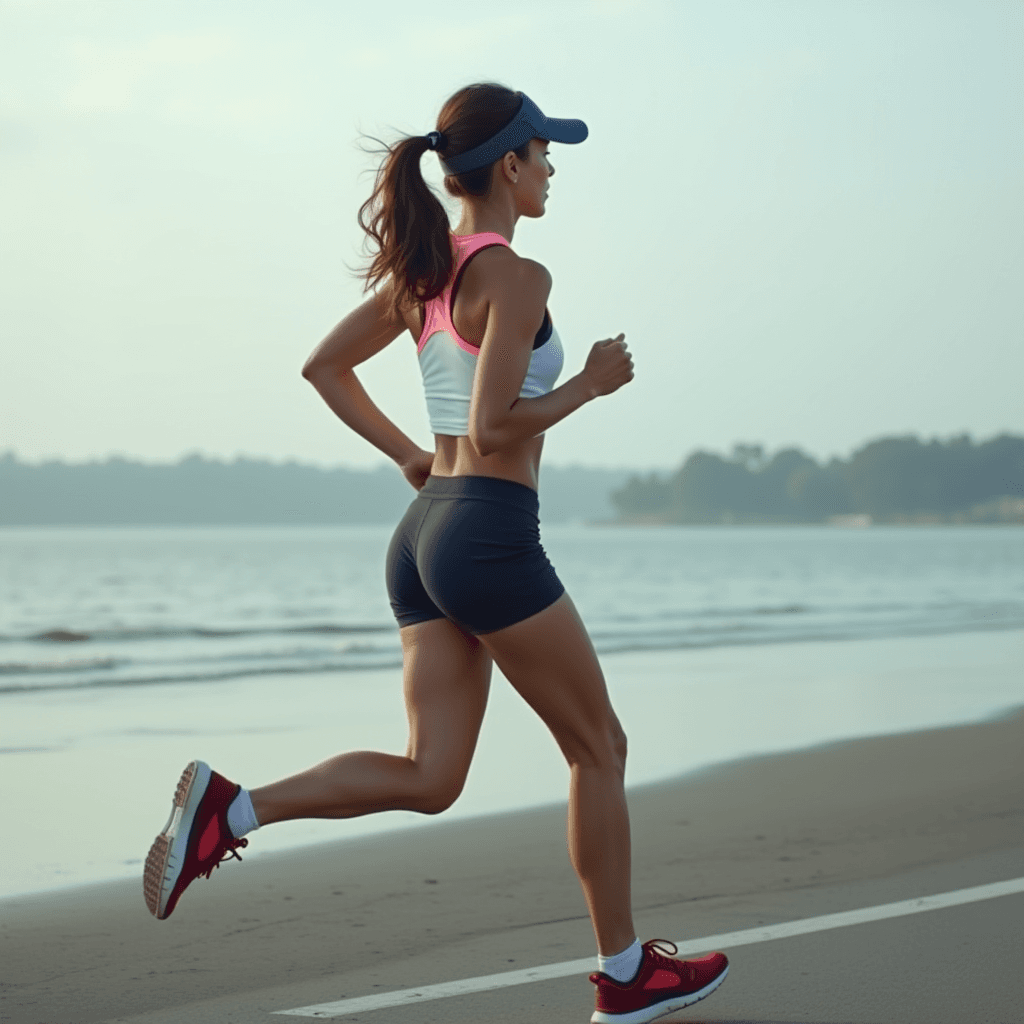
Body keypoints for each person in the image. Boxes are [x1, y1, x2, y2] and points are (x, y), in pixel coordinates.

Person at [142, 83, 728, 1023]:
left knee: (432, 776)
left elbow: (323, 368)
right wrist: (589, 385)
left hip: (423, 539)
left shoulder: (420, 274)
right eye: (544, 151)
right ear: (508, 164)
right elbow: (497, 427)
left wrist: (413, 456)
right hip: (489, 531)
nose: (551, 168)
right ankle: (626, 978)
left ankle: (231, 811)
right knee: (598, 748)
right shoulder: (515, 275)